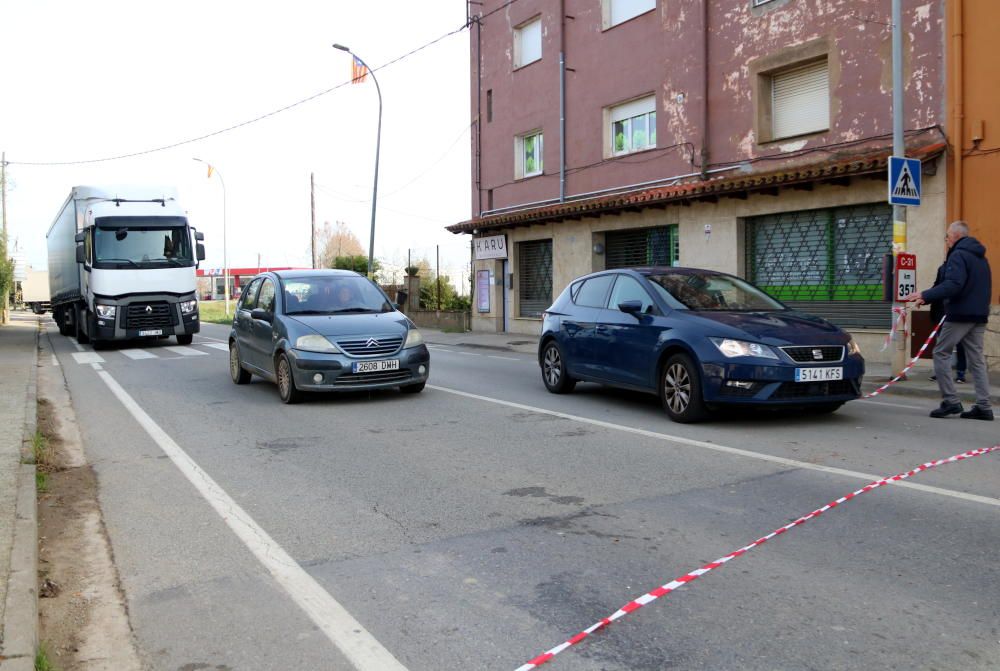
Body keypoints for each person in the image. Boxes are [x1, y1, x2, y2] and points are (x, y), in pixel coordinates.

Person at [903, 221, 993, 420]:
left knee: (940, 352)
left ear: (955, 236)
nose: (946, 241)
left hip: (960, 314)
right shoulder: (981, 258)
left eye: (947, 237)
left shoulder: (958, 255)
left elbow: (953, 284)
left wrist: (925, 295)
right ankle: (984, 406)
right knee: (976, 360)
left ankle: (951, 401)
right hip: (979, 315)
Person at [927, 259, 967, 383]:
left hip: (957, 312)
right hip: (940, 312)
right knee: (941, 345)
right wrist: (924, 296)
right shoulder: (942, 268)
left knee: (960, 344)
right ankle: (941, 372)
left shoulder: (964, 269)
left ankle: (960, 373)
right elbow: (937, 286)